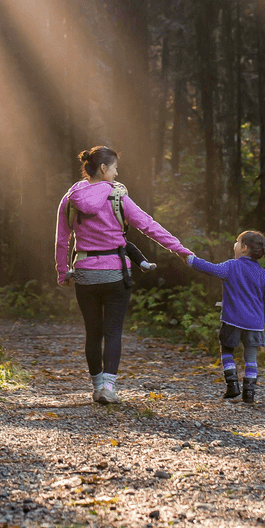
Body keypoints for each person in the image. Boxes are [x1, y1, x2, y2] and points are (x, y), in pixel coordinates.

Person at [56, 146, 194, 404]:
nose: (117, 173)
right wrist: (180, 250)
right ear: (104, 168)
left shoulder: (70, 198)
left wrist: (63, 272)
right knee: (113, 332)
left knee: (92, 333)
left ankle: (97, 388)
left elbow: (62, 240)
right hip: (116, 274)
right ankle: (109, 387)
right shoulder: (117, 196)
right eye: (115, 167)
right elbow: (148, 226)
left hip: (85, 272)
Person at [185, 231, 265, 404]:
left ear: (244, 248)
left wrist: (191, 260)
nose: (234, 245)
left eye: (237, 242)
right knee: (251, 356)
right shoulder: (263, 274)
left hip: (232, 320)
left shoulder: (232, 266)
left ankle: (232, 385)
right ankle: (249, 392)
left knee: (226, 349)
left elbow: (210, 268)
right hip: (255, 324)